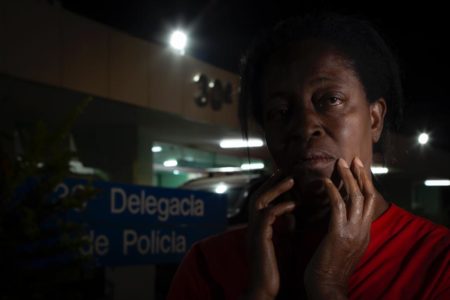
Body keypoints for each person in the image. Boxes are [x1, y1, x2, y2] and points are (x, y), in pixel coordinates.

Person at [167, 13, 450, 300]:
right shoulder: (209, 265)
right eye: (279, 112)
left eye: (331, 100)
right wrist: (259, 293)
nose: (304, 127)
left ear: (375, 119)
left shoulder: (438, 261)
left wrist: (328, 286)